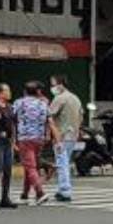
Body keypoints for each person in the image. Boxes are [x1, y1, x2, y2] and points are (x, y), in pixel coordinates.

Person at [12, 81, 52, 205]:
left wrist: (13, 138)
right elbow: (48, 121)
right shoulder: (43, 104)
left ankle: (40, 192)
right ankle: (24, 195)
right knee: (29, 167)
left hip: (25, 138)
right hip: (39, 139)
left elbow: (11, 118)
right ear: (38, 92)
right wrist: (47, 135)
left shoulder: (19, 103)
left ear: (25, 91)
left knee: (30, 167)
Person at [48, 75, 83, 203]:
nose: (52, 87)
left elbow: (49, 115)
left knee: (62, 163)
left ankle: (65, 190)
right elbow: (81, 117)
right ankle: (61, 189)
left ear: (61, 84)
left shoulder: (60, 98)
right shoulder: (75, 98)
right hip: (72, 135)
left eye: (53, 84)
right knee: (65, 161)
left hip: (61, 136)